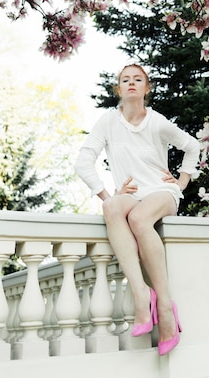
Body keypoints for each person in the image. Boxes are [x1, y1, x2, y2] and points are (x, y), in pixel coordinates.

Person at [74, 63, 200, 355]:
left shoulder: (157, 122)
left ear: (147, 88)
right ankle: (142, 294)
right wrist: (109, 193)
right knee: (112, 207)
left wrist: (181, 182)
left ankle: (165, 306)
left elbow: (191, 146)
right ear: (118, 89)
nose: (131, 83)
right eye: (125, 80)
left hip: (162, 192)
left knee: (141, 218)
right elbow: (83, 162)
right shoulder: (107, 122)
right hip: (131, 192)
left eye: (138, 79)